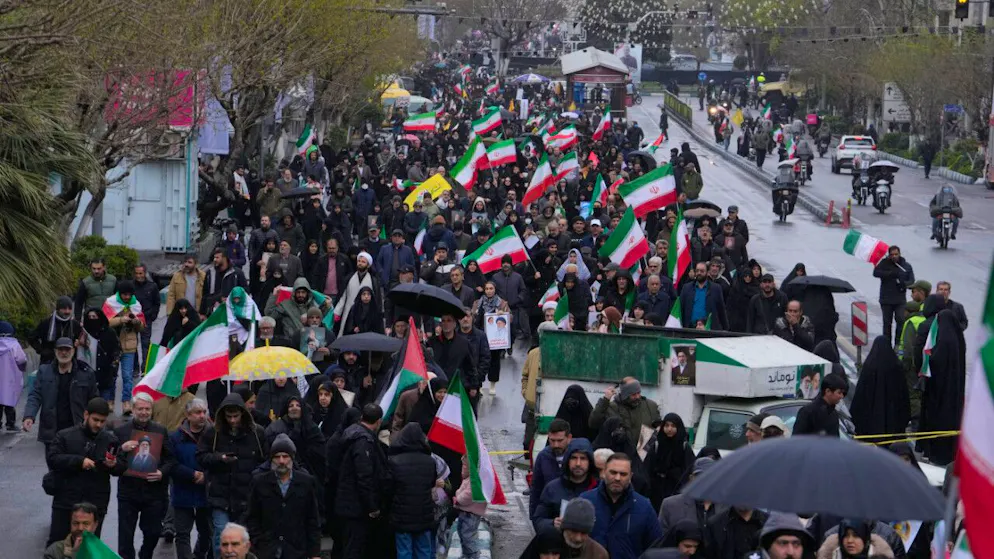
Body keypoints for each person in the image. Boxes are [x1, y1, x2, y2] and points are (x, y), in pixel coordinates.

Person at [196, 393, 269, 557]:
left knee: (242, 541)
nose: (233, 420)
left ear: (242, 414)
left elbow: (265, 460)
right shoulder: (213, 433)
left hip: (246, 496)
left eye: (236, 416)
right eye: (229, 416)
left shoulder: (257, 433)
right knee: (221, 537)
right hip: (220, 495)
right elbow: (201, 456)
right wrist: (219, 458)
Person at [45, 398, 122, 545]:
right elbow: (53, 459)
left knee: (89, 546)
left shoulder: (110, 440)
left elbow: (120, 467)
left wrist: (113, 465)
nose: (98, 425)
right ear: (86, 415)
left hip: (95, 503)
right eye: (95, 420)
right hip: (66, 501)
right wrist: (79, 461)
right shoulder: (65, 436)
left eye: (102, 421)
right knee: (58, 544)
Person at [243, 433, 322, 559]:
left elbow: (312, 519)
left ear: (292, 458)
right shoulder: (259, 482)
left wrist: (315, 553)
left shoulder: (306, 482)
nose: (281, 461)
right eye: (277, 457)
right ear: (271, 459)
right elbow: (251, 516)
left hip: (296, 550)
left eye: (285, 456)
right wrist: (258, 541)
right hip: (267, 549)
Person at [113, 392, 171, 559]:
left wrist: (162, 473)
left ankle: (145, 554)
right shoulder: (121, 431)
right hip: (128, 492)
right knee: (125, 536)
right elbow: (111, 461)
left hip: (153, 492)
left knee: (153, 532)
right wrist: (121, 450)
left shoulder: (160, 430)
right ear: (132, 409)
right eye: (140, 409)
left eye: (147, 409)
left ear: (152, 410)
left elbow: (171, 459)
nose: (144, 412)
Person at [914, 294, 966, 465]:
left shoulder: (941, 339)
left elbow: (932, 360)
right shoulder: (956, 338)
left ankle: (933, 452)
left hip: (938, 389)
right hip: (953, 389)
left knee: (935, 418)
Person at [580, 453, 663, 559]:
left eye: (623, 474)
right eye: (613, 472)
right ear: (604, 472)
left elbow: (656, 547)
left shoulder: (644, 507)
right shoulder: (585, 501)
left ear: (630, 476)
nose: (617, 478)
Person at [335, 403, 390, 559]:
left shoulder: (351, 435)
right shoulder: (363, 441)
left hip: (349, 503)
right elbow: (364, 477)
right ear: (378, 421)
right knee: (355, 548)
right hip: (356, 507)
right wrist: (372, 507)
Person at [24, 338, 99, 444]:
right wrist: (29, 416)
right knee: (53, 460)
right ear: (55, 351)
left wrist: (92, 421)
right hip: (51, 431)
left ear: (73, 351)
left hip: (77, 429)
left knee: (74, 460)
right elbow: (35, 395)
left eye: (67, 349)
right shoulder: (44, 371)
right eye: (60, 349)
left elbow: (94, 400)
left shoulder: (86, 373)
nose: (64, 353)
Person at [167, 398, 212, 559]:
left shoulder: (214, 435)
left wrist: (206, 476)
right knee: (182, 535)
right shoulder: (175, 437)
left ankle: (199, 555)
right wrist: (192, 475)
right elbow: (171, 464)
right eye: (197, 412)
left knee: (206, 533)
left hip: (206, 494)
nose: (202, 416)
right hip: (183, 493)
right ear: (188, 415)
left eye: (204, 412)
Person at [387, 423, 438, 559]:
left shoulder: (394, 461)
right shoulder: (430, 461)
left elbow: (389, 488)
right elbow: (432, 483)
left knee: (404, 552)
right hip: (424, 514)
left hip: (402, 516)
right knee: (424, 550)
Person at [532, 438, 598, 532]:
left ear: (590, 461)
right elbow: (538, 520)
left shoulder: (598, 489)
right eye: (574, 458)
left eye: (583, 458)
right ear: (567, 460)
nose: (578, 464)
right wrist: (552, 523)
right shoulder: (552, 488)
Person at [849, 336, 910, 437]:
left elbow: (860, 395)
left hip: (870, 427)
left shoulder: (869, 366)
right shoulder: (896, 367)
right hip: (893, 424)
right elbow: (903, 396)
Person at [105, 280, 146, 415]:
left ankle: (126, 402)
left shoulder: (136, 305)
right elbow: (105, 322)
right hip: (113, 345)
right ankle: (110, 401)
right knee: (112, 375)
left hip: (129, 346)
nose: (127, 297)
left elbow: (142, 327)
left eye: (129, 295)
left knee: (128, 376)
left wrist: (135, 321)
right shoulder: (110, 303)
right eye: (124, 294)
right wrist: (121, 320)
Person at [657, 457, 721, 542]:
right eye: (699, 476)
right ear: (691, 479)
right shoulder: (671, 505)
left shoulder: (727, 507)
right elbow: (661, 542)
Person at [589, 380, 661, 448]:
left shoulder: (650, 406)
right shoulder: (612, 407)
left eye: (638, 393)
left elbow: (658, 426)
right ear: (625, 395)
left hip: (644, 454)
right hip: (621, 454)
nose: (637, 397)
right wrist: (605, 400)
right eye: (633, 394)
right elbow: (594, 423)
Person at [529, 418, 574, 516]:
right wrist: (534, 515)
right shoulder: (543, 456)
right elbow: (536, 487)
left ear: (569, 437)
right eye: (552, 440)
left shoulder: (578, 456)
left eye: (560, 440)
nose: (555, 445)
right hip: (549, 511)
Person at [650, 413, 695, 510]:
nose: (669, 429)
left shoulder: (684, 447)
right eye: (666, 425)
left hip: (677, 489)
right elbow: (648, 469)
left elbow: (689, 469)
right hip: (657, 490)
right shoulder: (657, 445)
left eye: (673, 426)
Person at [873, 245, 914, 346]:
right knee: (887, 324)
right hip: (886, 299)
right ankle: (886, 346)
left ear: (899, 254)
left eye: (896, 254)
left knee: (900, 320)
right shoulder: (884, 264)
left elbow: (912, 280)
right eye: (892, 255)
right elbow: (876, 273)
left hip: (900, 300)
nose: (894, 256)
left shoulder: (906, 266)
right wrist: (890, 273)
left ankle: (898, 344)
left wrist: (904, 284)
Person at [333, 251, 379, 337]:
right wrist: (337, 312)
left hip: (365, 313)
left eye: (363, 262)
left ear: (368, 265)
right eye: (359, 261)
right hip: (349, 312)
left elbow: (376, 300)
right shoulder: (349, 278)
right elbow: (343, 297)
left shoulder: (373, 281)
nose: (360, 263)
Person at [31, 296, 83, 365]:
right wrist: (41, 350)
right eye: (64, 309)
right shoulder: (46, 323)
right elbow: (32, 338)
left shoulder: (75, 324)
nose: (67, 311)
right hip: (49, 362)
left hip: (69, 362)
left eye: (69, 309)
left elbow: (80, 341)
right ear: (58, 309)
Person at [793, 372, 847, 437]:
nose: (841, 396)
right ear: (828, 391)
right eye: (839, 393)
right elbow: (796, 440)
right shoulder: (807, 412)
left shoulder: (833, 414)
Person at [679, 262, 727, 330]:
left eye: (702, 271)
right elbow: (681, 308)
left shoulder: (716, 288)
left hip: (709, 330)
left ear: (707, 273)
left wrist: (725, 329)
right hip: (689, 329)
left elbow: (721, 310)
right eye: (697, 271)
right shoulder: (686, 288)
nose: (699, 273)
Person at [816, 518, 896, 558]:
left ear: (865, 538)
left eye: (856, 535)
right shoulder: (830, 554)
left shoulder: (889, 536)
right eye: (846, 535)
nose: (850, 540)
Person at [0, 321, 26, 431]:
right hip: (10, 379)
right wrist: (22, 368)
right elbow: (21, 359)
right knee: (10, 401)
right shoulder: (14, 345)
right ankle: (10, 424)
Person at [132, 264, 160, 355]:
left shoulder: (152, 286)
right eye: (136, 273)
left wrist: (153, 316)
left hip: (146, 318)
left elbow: (157, 302)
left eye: (140, 273)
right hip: (133, 318)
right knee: (133, 344)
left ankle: (146, 368)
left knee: (145, 344)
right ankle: (135, 367)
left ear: (145, 273)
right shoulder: (131, 286)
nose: (138, 276)